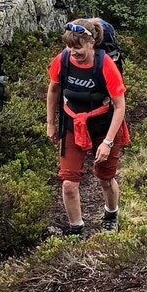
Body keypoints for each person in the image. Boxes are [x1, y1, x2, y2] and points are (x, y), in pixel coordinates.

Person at [47, 20, 128, 237]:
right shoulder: (62, 60)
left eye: (78, 47)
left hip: (103, 126)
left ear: (91, 43)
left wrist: (108, 142)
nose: (73, 52)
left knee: (104, 178)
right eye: (69, 47)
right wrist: (51, 123)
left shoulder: (106, 65)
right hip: (72, 126)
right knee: (69, 184)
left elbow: (119, 106)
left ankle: (111, 214)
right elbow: (54, 89)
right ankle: (77, 229)